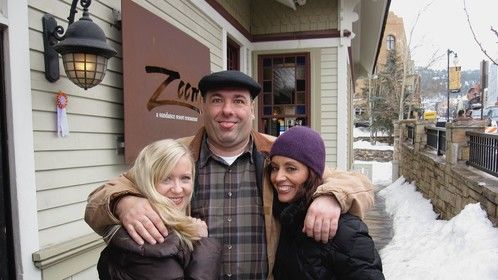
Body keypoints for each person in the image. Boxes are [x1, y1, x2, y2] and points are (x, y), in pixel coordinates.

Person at [85, 70, 374, 279]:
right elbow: (98, 199)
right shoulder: (176, 157)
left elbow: (356, 183)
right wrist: (124, 202)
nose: (227, 110)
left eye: (238, 101)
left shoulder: (278, 155)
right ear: (203, 107)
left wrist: (331, 197)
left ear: (250, 109)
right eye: (216, 100)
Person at [268, 126, 384, 279]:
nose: (278, 177)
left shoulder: (346, 230)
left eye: (291, 168)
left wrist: (331, 196)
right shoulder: (284, 217)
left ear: (312, 173)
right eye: (275, 168)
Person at [97, 139, 221, 280]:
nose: (177, 189)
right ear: (147, 180)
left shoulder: (170, 226)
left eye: (185, 178)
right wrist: (203, 244)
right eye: (166, 179)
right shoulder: (150, 236)